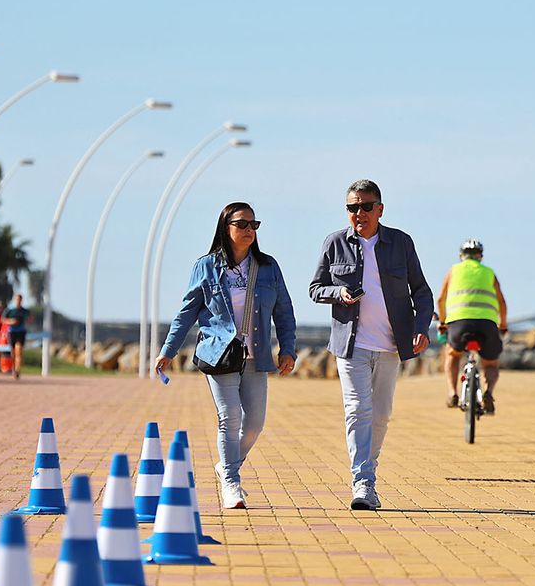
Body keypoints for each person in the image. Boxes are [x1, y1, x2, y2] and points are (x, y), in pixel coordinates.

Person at [156, 202, 297, 508]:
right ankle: (231, 483)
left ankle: (226, 466)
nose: (249, 230)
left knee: (255, 422)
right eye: (242, 224)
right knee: (229, 418)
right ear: (226, 227)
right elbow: (186, 313)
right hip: (219, 353)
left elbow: (284, 311)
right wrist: (168, 350)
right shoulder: (205, 266)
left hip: (256, 355)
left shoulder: (268, 267)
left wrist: (288, 348)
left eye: (253, 225)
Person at [309, 179, 433, 511]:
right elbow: (315, 288)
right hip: (351, 344)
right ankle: (363, 482)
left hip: (391, 344)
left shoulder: (401, 243)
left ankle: (369, 469)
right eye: (352, 207)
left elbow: (421, 292)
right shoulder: (334, 243)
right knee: (357, 410)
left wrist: (421, 328)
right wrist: (339, 293)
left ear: (380, 208)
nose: (359, 213)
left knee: (381, 415)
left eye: (366, 206)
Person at [437, 238, 508, 413]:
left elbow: (440, 299)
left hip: (459, 324)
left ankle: (453, 393)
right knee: (490, 364)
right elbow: (501, 301)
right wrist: (503, 325)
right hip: (487, 324)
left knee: (453, 355)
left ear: (462, 256)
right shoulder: (489, 273)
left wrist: (442, 323)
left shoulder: (453, 271)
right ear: (480, 257)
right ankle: (489, 393)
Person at [3, 294, 29, 378]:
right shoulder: (10, 311)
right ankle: (14, 369)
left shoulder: (24, 311)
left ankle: (18, 370)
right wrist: (11, 321)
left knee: (19, 351)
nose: (18, 301)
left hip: (21, 332)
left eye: (20, 299)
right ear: (15, 300)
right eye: (17, 299)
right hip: (12, 332)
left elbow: (30, 318)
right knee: (13, 352)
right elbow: (3, 320)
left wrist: (28, 321)